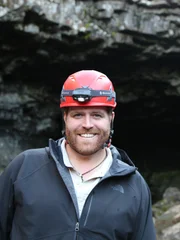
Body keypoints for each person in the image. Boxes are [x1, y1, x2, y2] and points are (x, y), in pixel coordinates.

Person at [0, 70, 156, 240]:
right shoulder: (24, 168)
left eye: (96, 115)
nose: (87, 124)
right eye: (78, 115)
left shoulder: (134, 185)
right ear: (65, 117)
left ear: (111, 118)